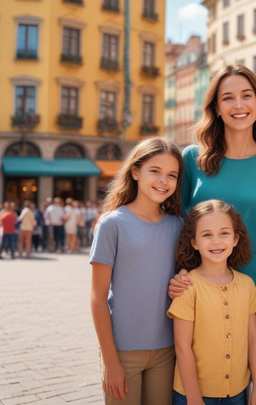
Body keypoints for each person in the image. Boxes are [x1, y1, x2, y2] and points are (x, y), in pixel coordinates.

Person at [171, 64, 256, 404]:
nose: (238, 105)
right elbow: (177, 224)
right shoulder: (193, 159)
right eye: (228, 98)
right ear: (216, 108)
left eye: (246, 96)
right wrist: (179, 273)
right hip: (199, 295)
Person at [90, 137, 184, 405]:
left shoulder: (178, 225)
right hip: (122, 351)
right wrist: (110, 361)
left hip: (167, 350)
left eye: (172, 175)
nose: (162, 181)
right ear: (135, 172)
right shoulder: (112, 225)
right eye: (155, 171)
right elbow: (97, 299)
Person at [168, 200, 256, 405]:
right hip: (193, 394)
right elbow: (182, 346)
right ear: (194, 242)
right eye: (206, 235)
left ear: (236, 239)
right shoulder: (187, 287)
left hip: (237, 394)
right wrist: (194, 398)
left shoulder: (247, 285)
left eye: (224, 233)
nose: (216, 242)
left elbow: (254, 339)